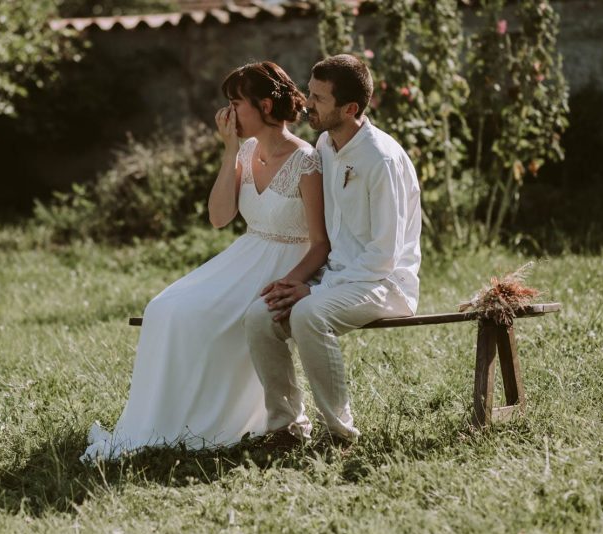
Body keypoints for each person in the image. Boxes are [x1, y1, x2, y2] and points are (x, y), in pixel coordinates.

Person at [82, 61, 329, 461]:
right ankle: (163, 421)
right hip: (246, 254)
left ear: (265, 105)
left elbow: (320, 243)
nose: (228, 114)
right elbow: (218, 217)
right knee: (164, 308)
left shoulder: (306, 160)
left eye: (236, 103)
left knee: (200, 317)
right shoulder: (246, 151)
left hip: (286, 264)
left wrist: (291, 282)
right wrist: (230, 150)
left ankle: (215, 422)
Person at [244, 54, 422, 445]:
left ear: (351, 108)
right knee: (260, 315)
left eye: (319, 98)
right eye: (310, 93)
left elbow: (384, 254)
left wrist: (316, 290)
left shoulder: (381, 158)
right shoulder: (325, 143)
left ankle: (339, 433)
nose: (308, 103)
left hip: (384, 282)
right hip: (336, 277)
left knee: (308, 313)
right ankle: (286, 428)